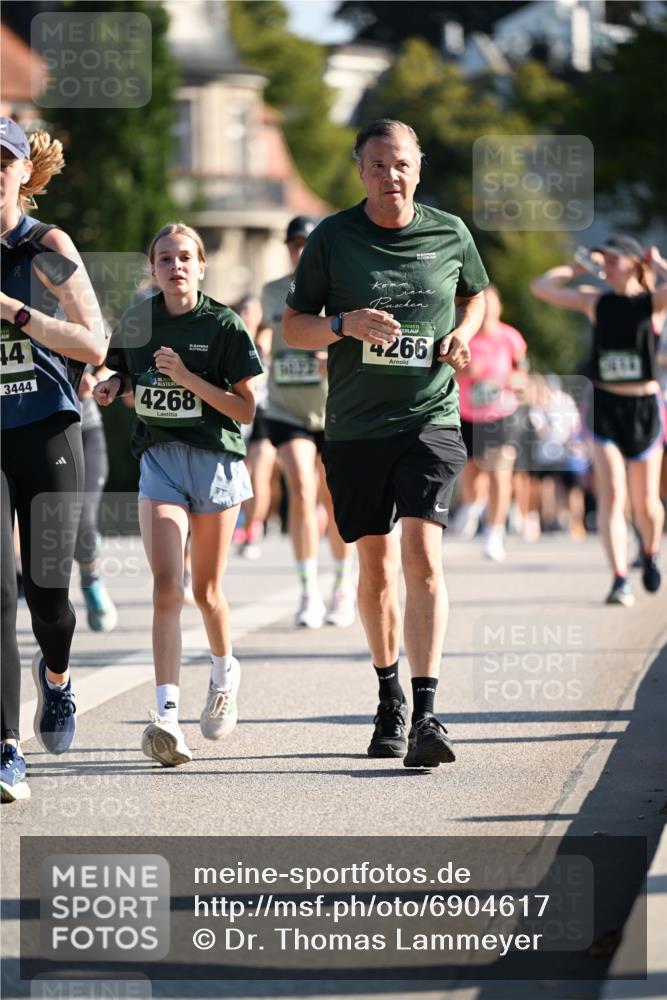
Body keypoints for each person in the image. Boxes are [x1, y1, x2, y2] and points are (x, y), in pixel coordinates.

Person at [283, 119, 488, 767]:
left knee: (422, 555)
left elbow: (477, 296)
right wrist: (343, 324)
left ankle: (427, 713)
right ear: (359, 170)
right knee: (373, 568)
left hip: (429, 417)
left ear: (417, 167)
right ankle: (388, 694)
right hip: (354, 428)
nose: (389, 176)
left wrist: (463, 333)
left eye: (399, 164)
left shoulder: (449, 231)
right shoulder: (332, 238)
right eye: (376, 165)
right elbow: (293, 328)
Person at [94, 222, 263, 766]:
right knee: (168, 586)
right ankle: (165, 716)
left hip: (215, 463)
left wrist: (188, 378)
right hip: (160, 462)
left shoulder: (223, 324)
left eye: (185, 257)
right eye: (164, 258)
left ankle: (223, 671)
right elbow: (120, 373)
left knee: (208, 591)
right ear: (153, 268)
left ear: (202, 264)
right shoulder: (139, 319)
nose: (175, 266)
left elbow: (245, 410)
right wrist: (111, 385)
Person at [1, 118, 107, 802]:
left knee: (48, 596)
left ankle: (58, 679)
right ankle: (7, 749)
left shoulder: (47, 247)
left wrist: (16, 314)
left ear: (22, 171)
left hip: (43, 423)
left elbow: (94, 343)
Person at [531, 237, 667, 605]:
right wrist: (576, 268)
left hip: (644, 409)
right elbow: (541, 287)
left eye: (612, 261)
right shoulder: (596, 301)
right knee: (612, 494)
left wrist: (657, 265)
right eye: (602, 260)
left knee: (645, 503)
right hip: (605, 406)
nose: (605, 267)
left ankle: (651, 551)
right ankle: (619, 578)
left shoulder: (652, 302)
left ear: (632, 262)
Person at [263, 216, 355, 628]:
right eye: (294, 244)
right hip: (288, 410)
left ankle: (342, 584)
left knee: (335, 498)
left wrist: (330, 355)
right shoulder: (272, 292)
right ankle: (307, 591)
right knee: (300, 485)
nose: (301, 251)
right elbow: (256, 330)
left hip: (335, 409)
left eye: (308, 243)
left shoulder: (340, 290)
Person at [454, 284, 527, 561]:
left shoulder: (511, 338)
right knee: (472, 480)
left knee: (500, 471)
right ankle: (473, 504)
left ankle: (494, 534)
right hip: (468, 415)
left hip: (502, 415)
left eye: (492, 304)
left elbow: (523, 376)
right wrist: (464, 372)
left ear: (499, 307)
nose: (487, 311)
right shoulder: (464, 335)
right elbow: (446, 374)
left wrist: (510, 380)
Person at [75, 364, 118, 630]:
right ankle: (48, 611)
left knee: (83, 521)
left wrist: (96, 379)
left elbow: (111, 357)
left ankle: (90, 578)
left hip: (84, 428)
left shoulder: (82, 319)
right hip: (32, 433)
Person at [232, 294, 275, 560]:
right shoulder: (231, 338)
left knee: (260, 474)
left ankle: (253, 529)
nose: (248, 314)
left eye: (253, 310)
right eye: (243, 310)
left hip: (265, 412)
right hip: (238, 410)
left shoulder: (267, 339)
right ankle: (244, 523)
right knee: (243, 475)